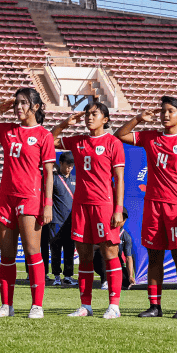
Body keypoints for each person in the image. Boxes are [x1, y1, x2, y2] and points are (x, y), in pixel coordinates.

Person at [0, 87, 54, 318]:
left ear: (35, 107)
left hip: (30, 198)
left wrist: (47, 205)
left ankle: (37, 305)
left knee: (32, 252)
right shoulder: (7, 130)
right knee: (6, 255)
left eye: (24, 103)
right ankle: (6, 305)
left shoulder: (44, 136)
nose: (19, 107)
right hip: (6, 197)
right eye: (17, 103)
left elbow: (49, 174)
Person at [116, 96, 177, 319]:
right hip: (153, 206)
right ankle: (155, 306)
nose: (165, 114)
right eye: (163, 110)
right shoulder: (151, 137)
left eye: (171, 111)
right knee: (154, 256)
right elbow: (120, 135)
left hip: (176, 207)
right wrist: (138, 118)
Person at [52, 103, 126, 318]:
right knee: (83, 256)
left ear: (105, 119)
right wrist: (66, 123)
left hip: (104, 206)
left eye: (94, 114)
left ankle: (114, 305)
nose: (89, 117)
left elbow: (119, 178)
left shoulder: (113, 143)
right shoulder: (78, 141)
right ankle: (86, 305)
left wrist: (118, 209)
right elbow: (49, 139)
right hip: (81, 207)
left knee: (110, 253)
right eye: (87, 114)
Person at [50, 152, 76, 287]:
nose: (70, 167)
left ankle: (68, 276)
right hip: (56, 220)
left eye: (72, 165)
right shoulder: (53, 179)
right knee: (55, 249)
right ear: (61, 163)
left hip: (71, 222)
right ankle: (56, 276)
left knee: (69, 249)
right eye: (67, 164)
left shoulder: (75, 179)